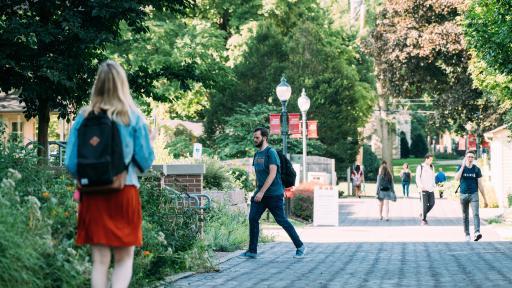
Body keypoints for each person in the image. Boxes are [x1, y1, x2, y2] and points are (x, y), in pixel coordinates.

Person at [64, 60, 155, 288]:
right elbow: (145, 161)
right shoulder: (132, 118)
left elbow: (71, 163)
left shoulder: (84, 118)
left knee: (100, 261)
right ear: (122, 85)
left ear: (98, 85)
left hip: (93, 195)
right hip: (124, 192)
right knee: (124, 259)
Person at [240, 127, 306, 259]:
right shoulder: (257, 155)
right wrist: (257, 191)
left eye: (257, 137)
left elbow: (272, 173)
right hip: (260, 194)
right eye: (254, 137)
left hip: (274, 194)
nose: (255, 140)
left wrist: (262, 192)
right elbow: (259, 175)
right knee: (253, 218)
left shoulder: (271, 153)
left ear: (264, 138)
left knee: (281, 220)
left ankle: (300, 246)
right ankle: (252, 251)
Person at [454, 152, 489, 241]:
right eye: (469, 157)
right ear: (465, 158)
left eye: (472, 157)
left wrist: (485, 199)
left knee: (476, 214)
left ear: (474, 159)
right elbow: (456, 178)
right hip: (463, 195)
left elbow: (480, 184)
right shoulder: (461, 168)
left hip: (474, 194)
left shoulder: (476, 169)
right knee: (465, 215)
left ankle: (477, 232)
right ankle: (467, 234)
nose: (470, 158)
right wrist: (462, 166)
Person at [416, 154, 436, 225]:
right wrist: (421, 187)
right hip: (423, 189)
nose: (431, 161)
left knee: (432, 203)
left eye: (432, 160)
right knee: (424, 205)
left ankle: (423, 213)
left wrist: (434, 185)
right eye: (430, 159)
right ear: (426, 159)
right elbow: (417, 178)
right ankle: (423, 220)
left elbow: (433, 177)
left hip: (430, 189)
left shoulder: (432, 167)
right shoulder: (420, 167)